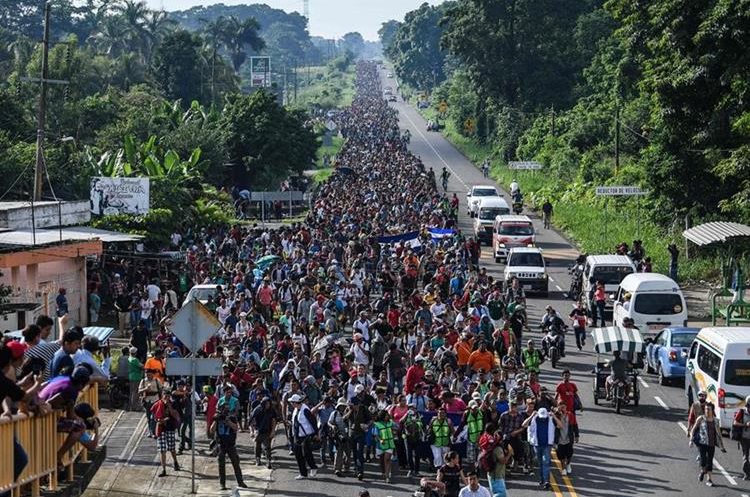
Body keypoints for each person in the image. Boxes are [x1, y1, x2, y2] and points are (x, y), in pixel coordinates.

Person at [210, 403, 248, 489]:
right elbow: (211, 430)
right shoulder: (217, 418)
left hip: (231, 445)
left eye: (227, 409)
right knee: (221, 465)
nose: (226, 411)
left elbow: (235, 428)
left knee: (236, 464)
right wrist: (216, 420)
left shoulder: (232, 417)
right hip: (221, 445)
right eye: (224, 409)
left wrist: (228, 421)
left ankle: (240, 482)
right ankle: (222, 484)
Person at [523, 407, 562, 490]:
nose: (543, 418)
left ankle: (547, 481)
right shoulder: (534, 419)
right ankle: (542, 479)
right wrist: (531, 416)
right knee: (540, 463)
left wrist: (554, 416)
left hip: (547, 445)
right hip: (537, 445)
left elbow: (561, 425)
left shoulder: (551, 419)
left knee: (546, 462)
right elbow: (524, 425)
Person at [689, 403, 726, 487]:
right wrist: (691, 440)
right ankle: (703, 470)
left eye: (708, 409)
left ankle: (709, 479)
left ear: (712, 410)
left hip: (711, 444)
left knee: (710, 461)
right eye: (705, 409)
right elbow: (693, 430)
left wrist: (722, 446)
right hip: (702, 443)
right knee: (703, 460)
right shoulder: (700, 418)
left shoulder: (716, 421)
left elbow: (719, 434)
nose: (707, 411)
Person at [151, 390, 181, 477]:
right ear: (162, 396)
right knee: (162, 450)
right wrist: (160, 420)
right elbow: (154, 416)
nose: (166, 398)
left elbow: (175, 415)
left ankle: (175, 461)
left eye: (168, 396)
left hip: (170, 428)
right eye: (165, 396)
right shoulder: (158, 404)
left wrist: (169, 406)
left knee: (171, 448)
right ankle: (163, 469)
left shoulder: (173, 404)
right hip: (161, 429)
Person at [289, 393, 319, 480]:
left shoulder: (305, 410)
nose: (291, 404)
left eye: (292, 402)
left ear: (295, 403)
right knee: (298, 454)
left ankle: (313, 467)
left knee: (307, 453)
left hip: (306, 436)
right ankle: (303, 473)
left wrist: (316, 434)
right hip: (297, 436)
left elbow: (313, 421)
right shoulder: (296, 410)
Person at [251, 397, 278, 469]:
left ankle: (268, 461)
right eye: (266, 403)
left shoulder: (271, 410)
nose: (268, 405)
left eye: (269, 403)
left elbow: (274, 420)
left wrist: (273, 431)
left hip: (267, 430)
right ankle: (258, 459)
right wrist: (253, 431)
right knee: (257, 446)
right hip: (258, 430)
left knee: (267, 447)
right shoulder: (257, 410)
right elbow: (252, 420)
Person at [373, 409, 396, 482]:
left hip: (390, 444)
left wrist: (394, 432)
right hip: (380, 445)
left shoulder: (390, 423)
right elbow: (375, 435)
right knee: (382, 459)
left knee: (387, 459)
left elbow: (395, 429)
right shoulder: (377, 424)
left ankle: (387, 476)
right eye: (386, 415)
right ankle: (383, 472)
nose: (388, 416)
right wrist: (380, 440)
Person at [733, 396, 750, 480]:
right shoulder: (742, 412)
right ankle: (746, 473)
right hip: (744, 438)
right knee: (745, 457)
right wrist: (745, 425)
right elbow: (735, 422)